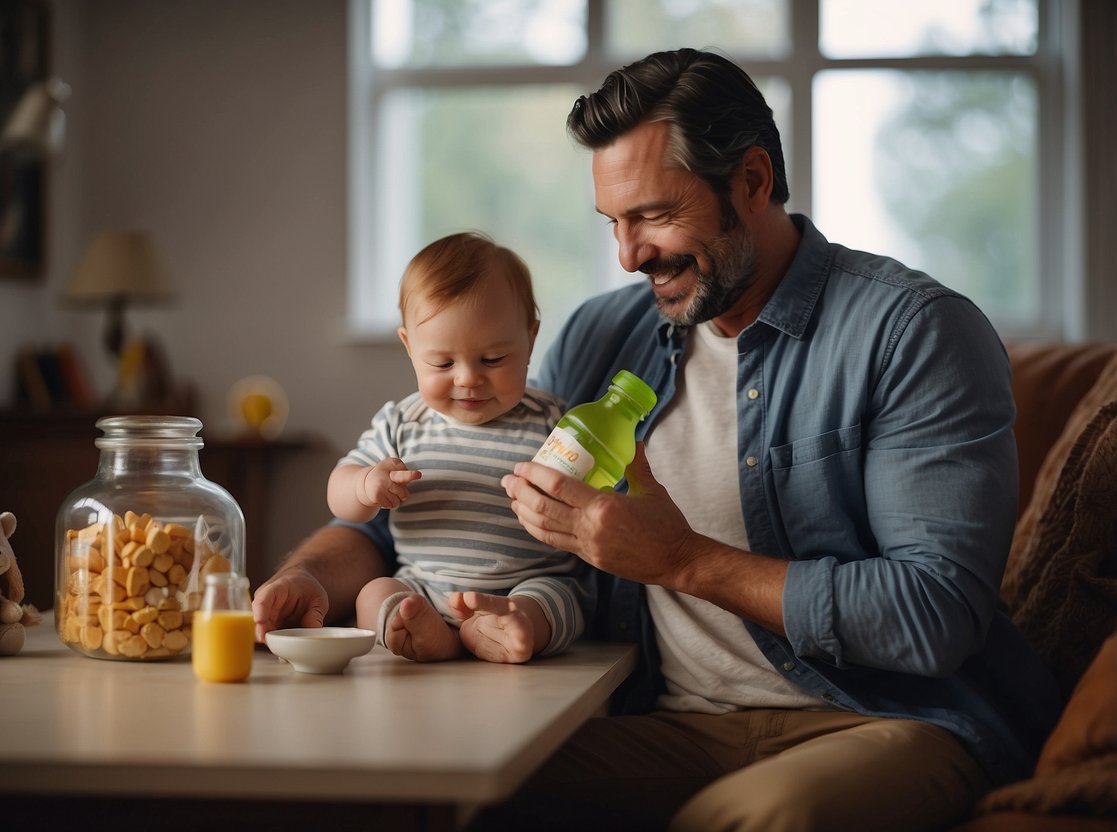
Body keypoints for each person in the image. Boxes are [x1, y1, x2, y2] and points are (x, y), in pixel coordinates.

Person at [254, 49, 1060, 830]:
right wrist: (307, 580)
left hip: (883, 721)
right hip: (663, 719)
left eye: (654, 216)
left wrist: (680, 560)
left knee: (753, 819)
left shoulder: (911, 333)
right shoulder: (601, 338)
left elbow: (933, 614)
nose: (627, 254)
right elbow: (401, 511)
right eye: (612, 221)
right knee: (452, 800)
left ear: (751, 181)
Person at [325, 231, 587, 663]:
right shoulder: (402, 423)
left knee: (555, 602)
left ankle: (508, 630)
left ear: (530, 339)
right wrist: (365, 486)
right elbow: (340, 497)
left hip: (525, 584)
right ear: (410, 347)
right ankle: (432, 636)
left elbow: (588, 500)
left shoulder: (551, 423)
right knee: (374, 594)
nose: (467, 378)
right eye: (443, 363)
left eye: (493, 360)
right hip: (422, 588)